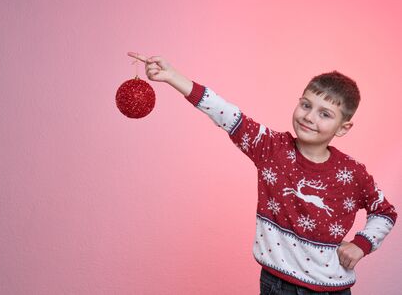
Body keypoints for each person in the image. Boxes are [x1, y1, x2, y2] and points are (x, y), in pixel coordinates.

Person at [127, 52, 397, 294]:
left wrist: (362, 244)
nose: (309, 117)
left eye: (325, 114)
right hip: (276, 284)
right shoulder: (271, 148)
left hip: (330, 289)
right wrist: (174, 77)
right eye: (306, 105)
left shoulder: (351, 172)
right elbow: (227, 114)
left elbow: (385, 212)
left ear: (343, 128)